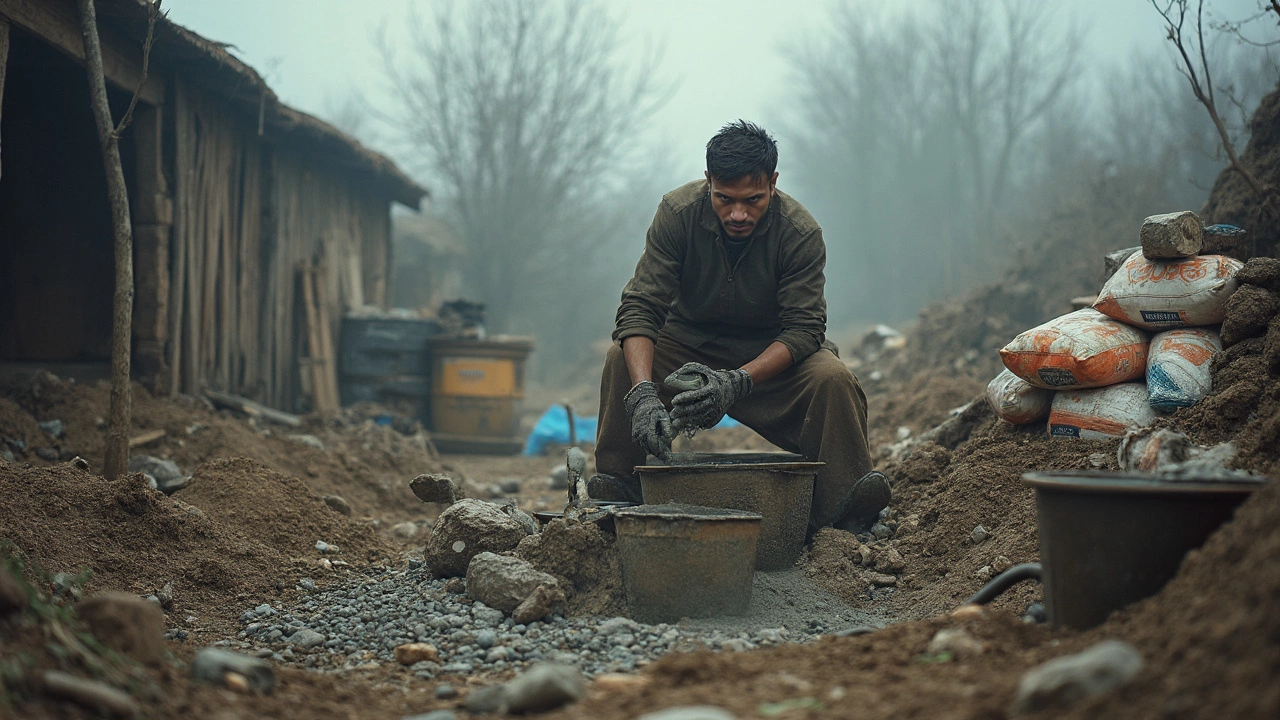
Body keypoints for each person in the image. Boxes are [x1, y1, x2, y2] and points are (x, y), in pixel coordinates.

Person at [588, 120, 890, 534]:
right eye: (724, 199)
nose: (738, 214)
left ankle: (841, 508)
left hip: (770, 358)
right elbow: (641, 307)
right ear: (708, 180)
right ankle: (620, 489)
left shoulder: (800, 232)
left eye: (753, 200)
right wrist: (642, 393)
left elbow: (804, 329)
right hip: (686, 348)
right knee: (621, 358)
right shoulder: (676, 214)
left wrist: (738, 381)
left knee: (832, 378)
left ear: (773, 183)